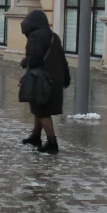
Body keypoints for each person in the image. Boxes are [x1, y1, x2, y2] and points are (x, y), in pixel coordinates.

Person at [20, 9, 70, 154]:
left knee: (42, 112)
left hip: (41, 80)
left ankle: (52, 142)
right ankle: (36, 136)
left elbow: (35, 60)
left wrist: (25, 62)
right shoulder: (54, 36)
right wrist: (66, 78)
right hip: (56, 78)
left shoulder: (35, 37)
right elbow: (63, 59)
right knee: (39, 108)